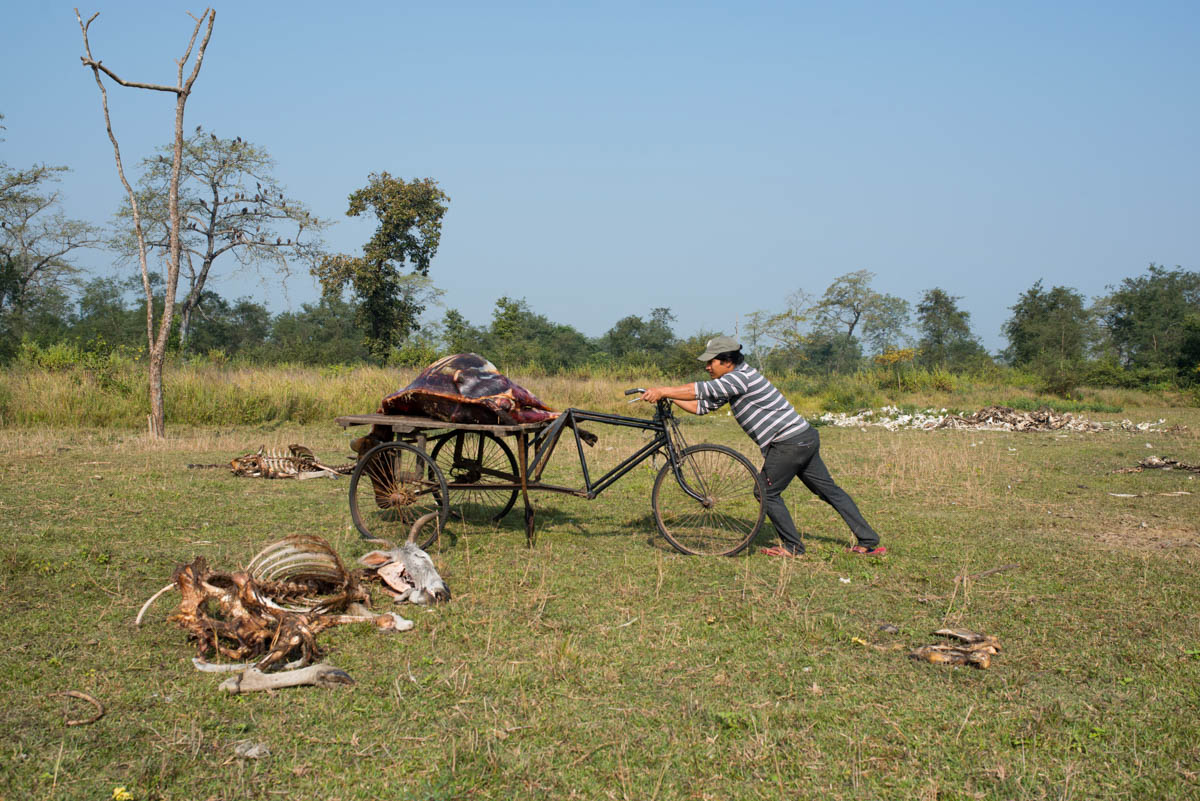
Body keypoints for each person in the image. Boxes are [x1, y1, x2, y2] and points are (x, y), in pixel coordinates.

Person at [640, 335, 886, 557]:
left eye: (711, 362)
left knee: (765, 492)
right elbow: (702, 406)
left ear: (727, 361)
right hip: (803, 437)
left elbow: (701, 390)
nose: (707, 367)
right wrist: (668, 396)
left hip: (788, 442)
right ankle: (868, 540)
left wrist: (662, 390)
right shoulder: (733, 379)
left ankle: (793, 547)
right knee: (828, 491)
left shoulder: (739, 378)